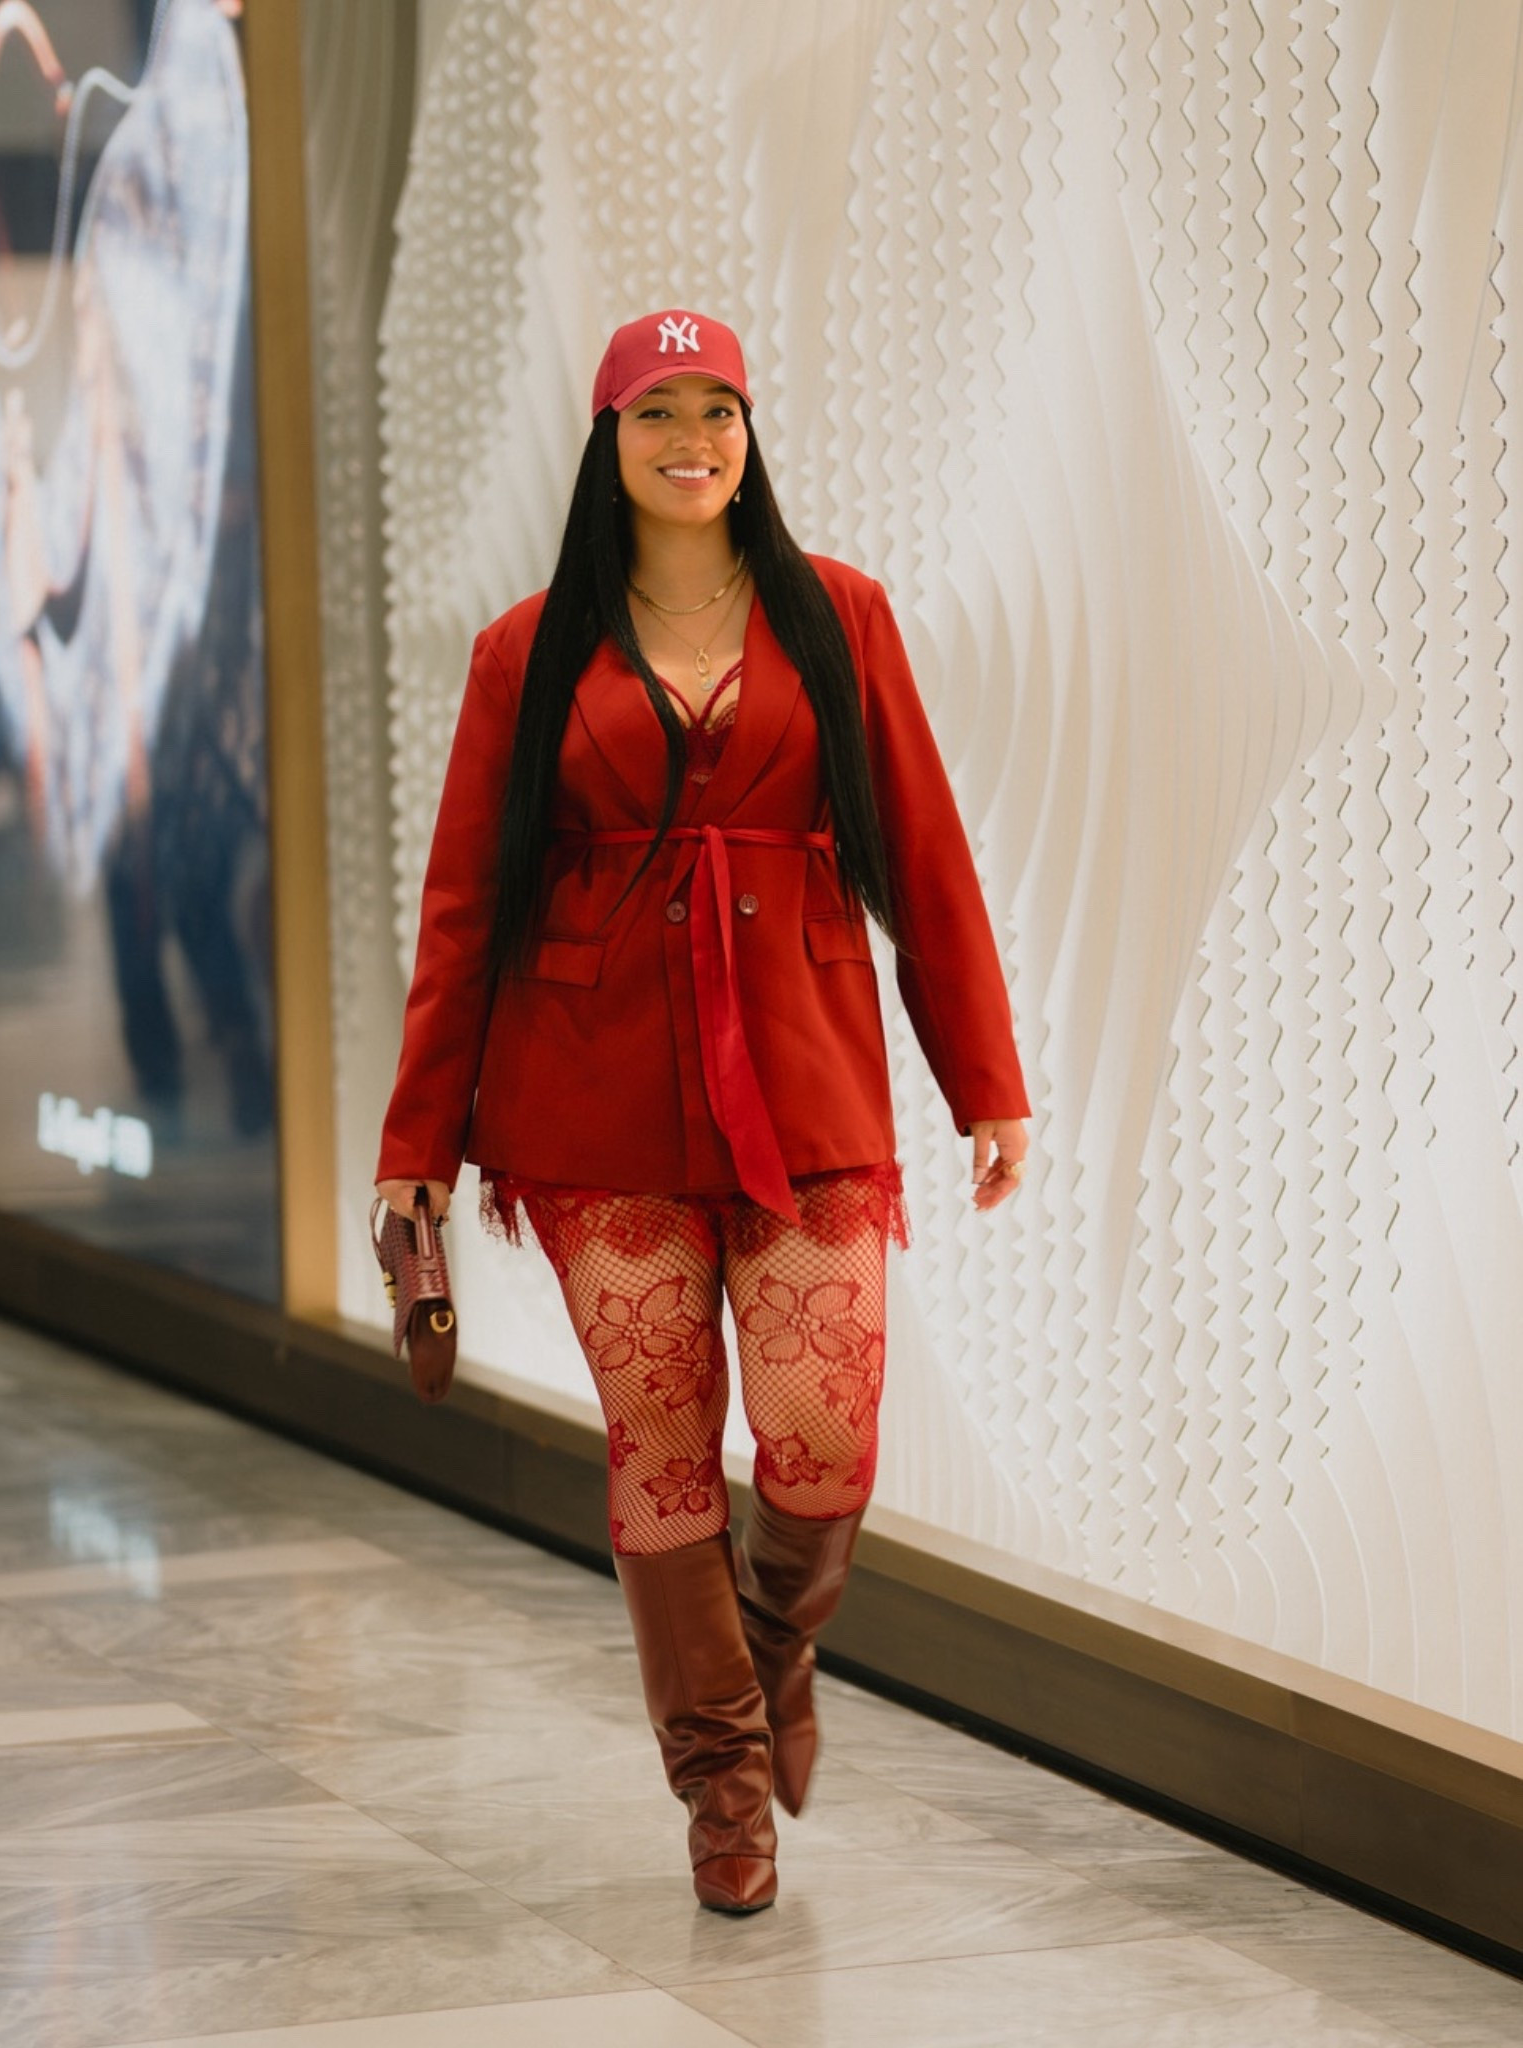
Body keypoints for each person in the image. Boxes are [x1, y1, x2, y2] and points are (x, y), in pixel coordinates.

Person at [376, 308, 1029, 1915]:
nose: (692, 436)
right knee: (659, 1446)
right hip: (588, 1094)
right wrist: (418, 1153)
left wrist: (983, 1077)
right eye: (655, 409)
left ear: (749, 436)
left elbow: (923, 859)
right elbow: (465, 907)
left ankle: (769, 1642)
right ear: (606, 438)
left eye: (717, 408)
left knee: (820, 1438)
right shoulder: (526, 651)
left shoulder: (838, 618)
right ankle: (719, 1776)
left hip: (804, 1075)